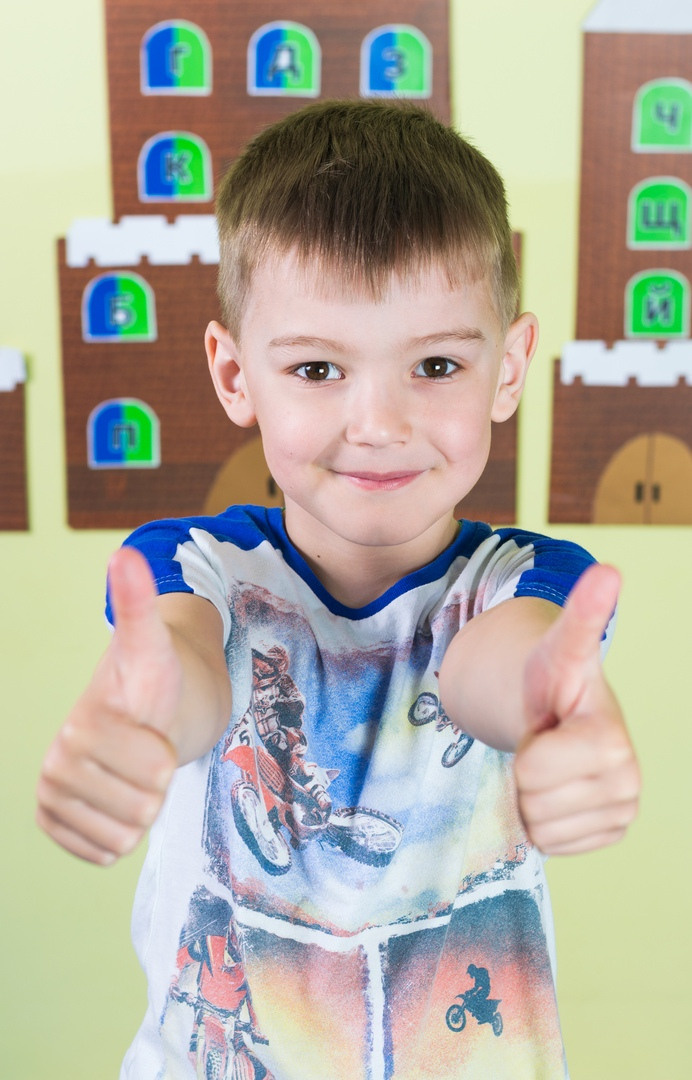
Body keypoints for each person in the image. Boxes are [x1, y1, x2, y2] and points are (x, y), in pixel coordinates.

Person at [36, 100, 640, 1078]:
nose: (377, 422)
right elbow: (186, 670)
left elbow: (505, 664)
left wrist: (552, 713)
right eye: (317, 367)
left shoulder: (522, 584)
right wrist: (142, 719)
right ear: (236, 374)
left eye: (434, 364)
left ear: (508, 367)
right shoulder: (199, 567)